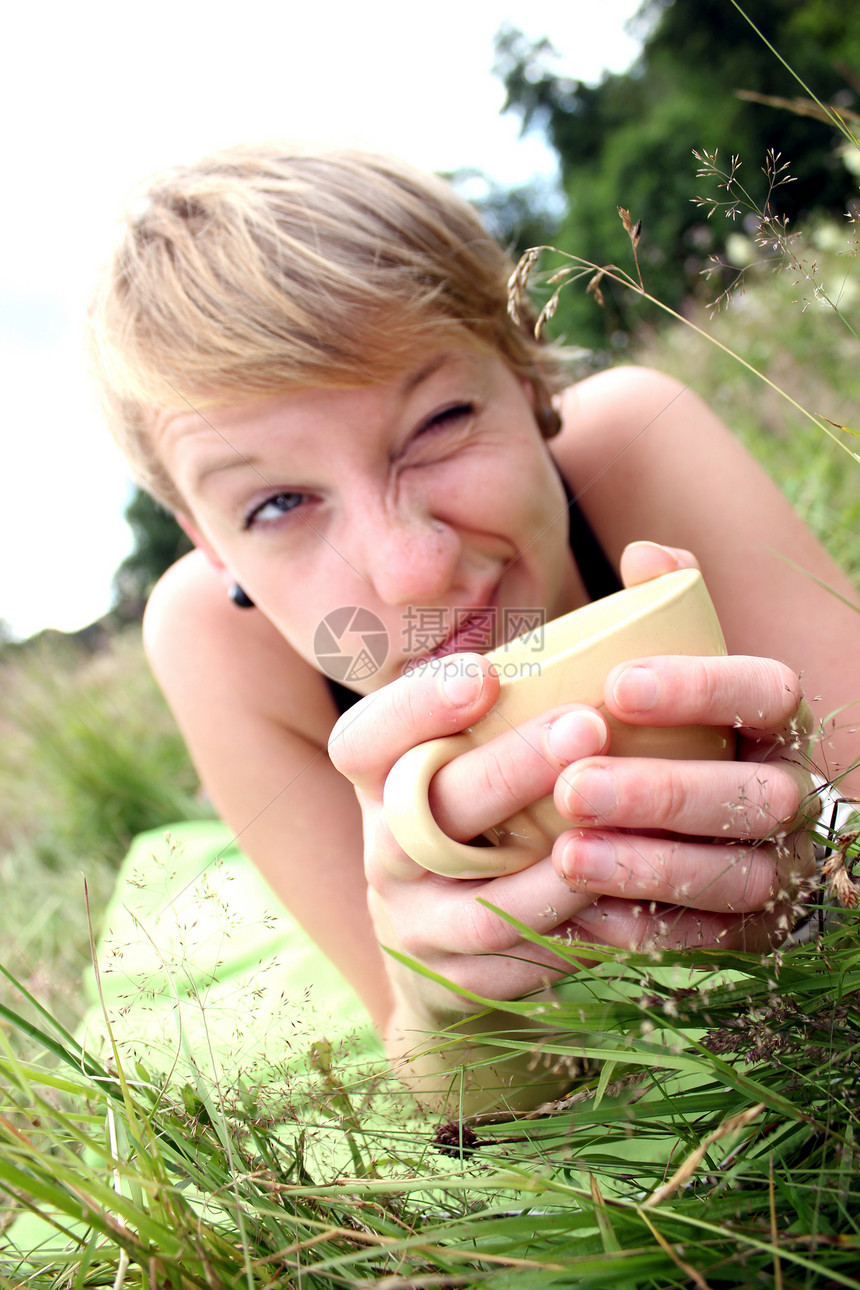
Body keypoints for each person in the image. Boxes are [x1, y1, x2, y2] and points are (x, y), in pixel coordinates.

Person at [88, 142, 860, 1113]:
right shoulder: (214, 639)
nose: (411, 572)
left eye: (440, 420)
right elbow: (458, 1098)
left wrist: (802, 886)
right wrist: (450, 1007)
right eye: (279, 504)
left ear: (528, 378)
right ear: (209, 545)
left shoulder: (631, 443)